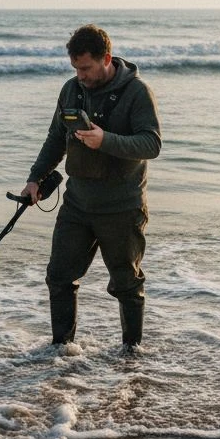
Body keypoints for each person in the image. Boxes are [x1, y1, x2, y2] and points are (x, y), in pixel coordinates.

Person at [22, 24, 162, 349]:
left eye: (85, 68)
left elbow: (151, 143)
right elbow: (56, 139)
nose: (80, 75)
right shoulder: (71, 90)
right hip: (78, 205)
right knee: (58, 278)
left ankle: (132, 356)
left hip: (122, 207)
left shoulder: (137, 92)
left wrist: (105, 140)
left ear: (106, 58)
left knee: (127, 285)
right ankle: (61, 351)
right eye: (75, 68)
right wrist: (35, 179)